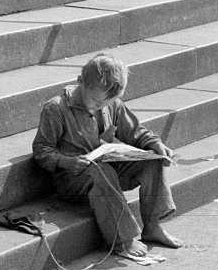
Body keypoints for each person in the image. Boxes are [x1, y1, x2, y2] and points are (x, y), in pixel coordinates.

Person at [32, 53, 182, 258]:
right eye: (94, 100)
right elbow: (41, 150)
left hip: (106, 166)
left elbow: (136, 132)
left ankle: (153, 225)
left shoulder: (110, 104)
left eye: (104, 103)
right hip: (71, 178)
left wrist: (155, 144)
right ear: (79, 82)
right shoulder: (56, 108)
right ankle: (122, 240)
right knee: (100, 171)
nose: (98, 106)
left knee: (152, 161)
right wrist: (66, 161)